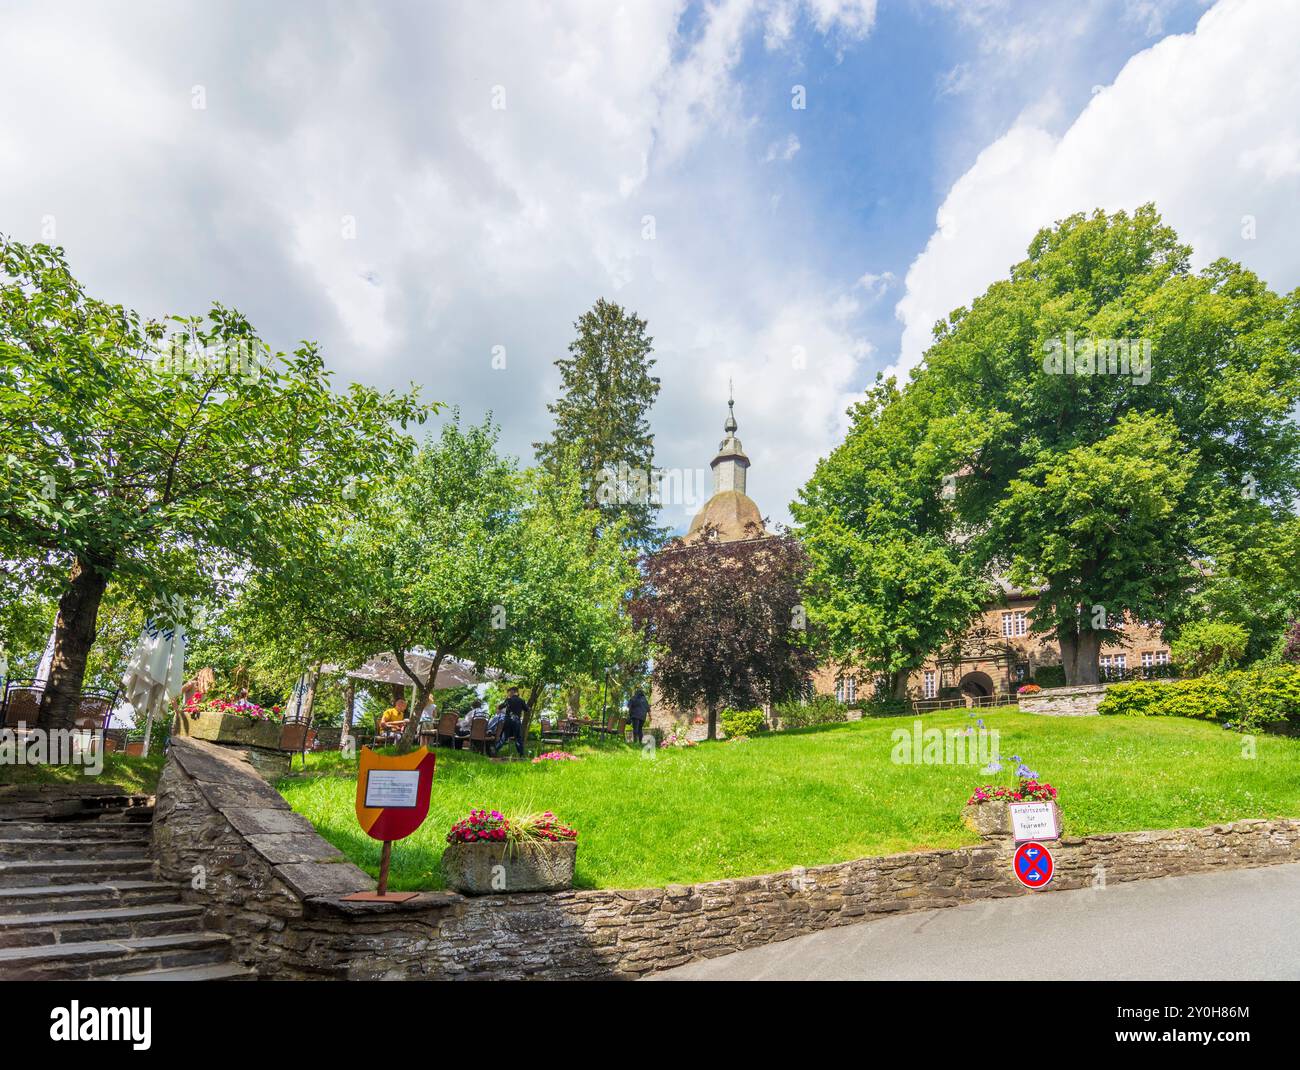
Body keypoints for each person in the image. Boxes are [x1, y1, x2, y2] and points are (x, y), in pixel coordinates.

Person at [493, 686, 527, 757]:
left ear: (513, 692)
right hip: (516, 721)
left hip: (508, 721)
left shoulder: (508, 700)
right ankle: (521, 754)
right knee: (518, 738)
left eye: (510, 692)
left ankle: (494, 750)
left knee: (504, 737)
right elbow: (527, 709)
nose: (509, 694)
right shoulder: (521, 700)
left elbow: (500, 707)